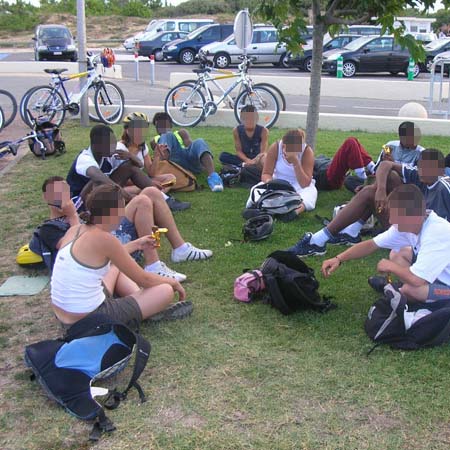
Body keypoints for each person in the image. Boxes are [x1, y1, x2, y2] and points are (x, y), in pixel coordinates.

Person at [51, 184, 189, 330]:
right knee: (165, 290)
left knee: (116, 265)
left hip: (63, 314)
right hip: (90, 319)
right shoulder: (105, 239)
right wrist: (172, 283)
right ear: (114, 212)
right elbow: (144, 279)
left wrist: (136, 244)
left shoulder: (75, 230)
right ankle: (146, 307)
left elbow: (106, 257)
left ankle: (142, 302)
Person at [41, 176, 213, 282]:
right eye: (56, 193)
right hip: (108, 250)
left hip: (112, 234)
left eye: (64, 191)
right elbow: (73, 249)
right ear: (46, 197)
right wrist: (72, 216)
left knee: (150, 192)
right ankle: (153, 265)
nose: (62, 196)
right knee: (143, 201)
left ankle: (180, 249)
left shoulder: (76, 207)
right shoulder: (49, 228)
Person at [288, 148, 450, 257]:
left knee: (368, 193)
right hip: (411, 225)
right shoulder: (419, 175)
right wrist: (381, 190)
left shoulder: (442, 190)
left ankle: (318, 241)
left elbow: (437, 231)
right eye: (421, 166)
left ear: (440, 170)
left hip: (419, 236)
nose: (423, 171)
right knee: (384, 180)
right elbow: (386, 164)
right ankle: (347, 233)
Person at [321, 184, 450, 303]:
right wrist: (338, 259)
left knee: (411, 289)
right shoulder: (415, 222)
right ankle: (400, 291)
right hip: (434, 276)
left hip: (446, 286)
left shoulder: (436, 233)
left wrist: (391, 267)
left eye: (395, 216)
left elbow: (417, 279)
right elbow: (372, 244)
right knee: (397, 253)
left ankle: (408, 297)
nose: (391, 220)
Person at [116, 112, 190, 212]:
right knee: (143, 188)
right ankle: (160, 199)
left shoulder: (142, 147)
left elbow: (152, 172)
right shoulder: (120, 149)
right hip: (122, 187)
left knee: (171, 178)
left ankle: (151, 197)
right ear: (127, 130)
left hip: (140, 182)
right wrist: (149, 183)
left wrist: (156, 156)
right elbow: (124, 178)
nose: (139, 132)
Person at [67, 124, 152, 200]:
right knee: (98, 181)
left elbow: (138, 166)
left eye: (114, 143)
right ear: (96, 145)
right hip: (80, 202)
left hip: (99, 195)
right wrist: (129, 197)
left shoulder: (107, 156)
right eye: (109, 144)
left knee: (129, 166)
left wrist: (130, 156)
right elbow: (101, 179)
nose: (113, 147)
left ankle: (160, 195)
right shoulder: (85, 159)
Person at [150, 112, 224, 192]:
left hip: (187, 157)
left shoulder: (181, 132)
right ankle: (161, 174)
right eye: (159, 125)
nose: (162, 127)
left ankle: (213, 176)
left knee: (199, 141)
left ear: (171, 125)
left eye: (164, 124)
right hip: (173, 163)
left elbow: (191, 147)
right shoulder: (154, 140)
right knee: (166, 135)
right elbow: (158, 155)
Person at [344, 121, 424, 193]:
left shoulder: (421, 153)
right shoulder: (389, 146)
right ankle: (369, 190)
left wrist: (392, 164)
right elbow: (377, 169)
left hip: (404, 186)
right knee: (350, 180)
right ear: (401, 137)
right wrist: (383, 160)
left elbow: (418, 179)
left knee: (392, 175)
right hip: (382, 181)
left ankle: (369, 191)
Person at [261, 129, 317, 215]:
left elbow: (305, 183)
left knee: (310, 194)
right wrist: (270, 183)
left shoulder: (307, 151)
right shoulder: (275, 147)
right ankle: (260, 208)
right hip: (278, 181)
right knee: (257, 189)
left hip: (299, 185)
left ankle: (294, 211)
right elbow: (266, 173)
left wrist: (296, 163)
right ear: (283, 144)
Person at [219, 105, 269, 170]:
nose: (250, 120)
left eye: (252, 118)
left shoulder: (264, 131)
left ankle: (243, 166)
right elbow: (238, 151)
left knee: (266, 159)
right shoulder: (236, 130)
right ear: (242, 119)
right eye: (247, 118)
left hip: (258, 158)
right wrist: (247, 160)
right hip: (243, 158)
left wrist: (254, 161)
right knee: (223, 156)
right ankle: (244, 165)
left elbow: (263, 152)